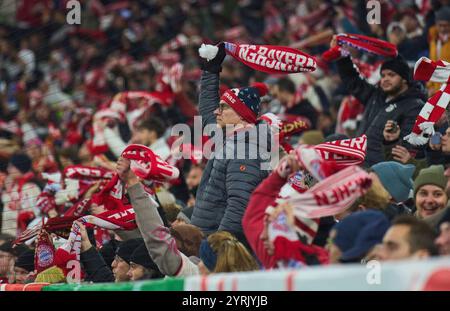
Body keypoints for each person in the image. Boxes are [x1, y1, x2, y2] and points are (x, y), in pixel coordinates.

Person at [190, 43, 270, 237]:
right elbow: (208, 109)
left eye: (224, 107)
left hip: (216, 242)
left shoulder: (247, 149)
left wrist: (219, 245)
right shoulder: (230, 136)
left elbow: (239, 204)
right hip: (207, 233)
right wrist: (211, 69)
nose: (217, 112)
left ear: (242, 115)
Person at [331, 36, 427, 166]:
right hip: (358, 159)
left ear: (405, 79)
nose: (385, 79)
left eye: (391, 75)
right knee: (332, 143)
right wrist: (341, 56)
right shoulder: (376, 96)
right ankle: (302, 183)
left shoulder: (415, 107)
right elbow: (353, 81)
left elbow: (408, 149)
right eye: (383, 75)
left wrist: (391, 142)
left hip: (379, 168)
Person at [117, 157, 202, 277]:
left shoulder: (191, 274)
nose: (173, 224)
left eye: (173, 240)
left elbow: (155, 238)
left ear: (188, 246)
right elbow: (144, 238)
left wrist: (133, 184)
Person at [1, 153, 41, 235]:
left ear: (20, 168)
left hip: (22, 236)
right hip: (6, 233)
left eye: (11, 167)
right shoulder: (12, 186)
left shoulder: (31, 187)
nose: (8, 169)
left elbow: (33, 214)